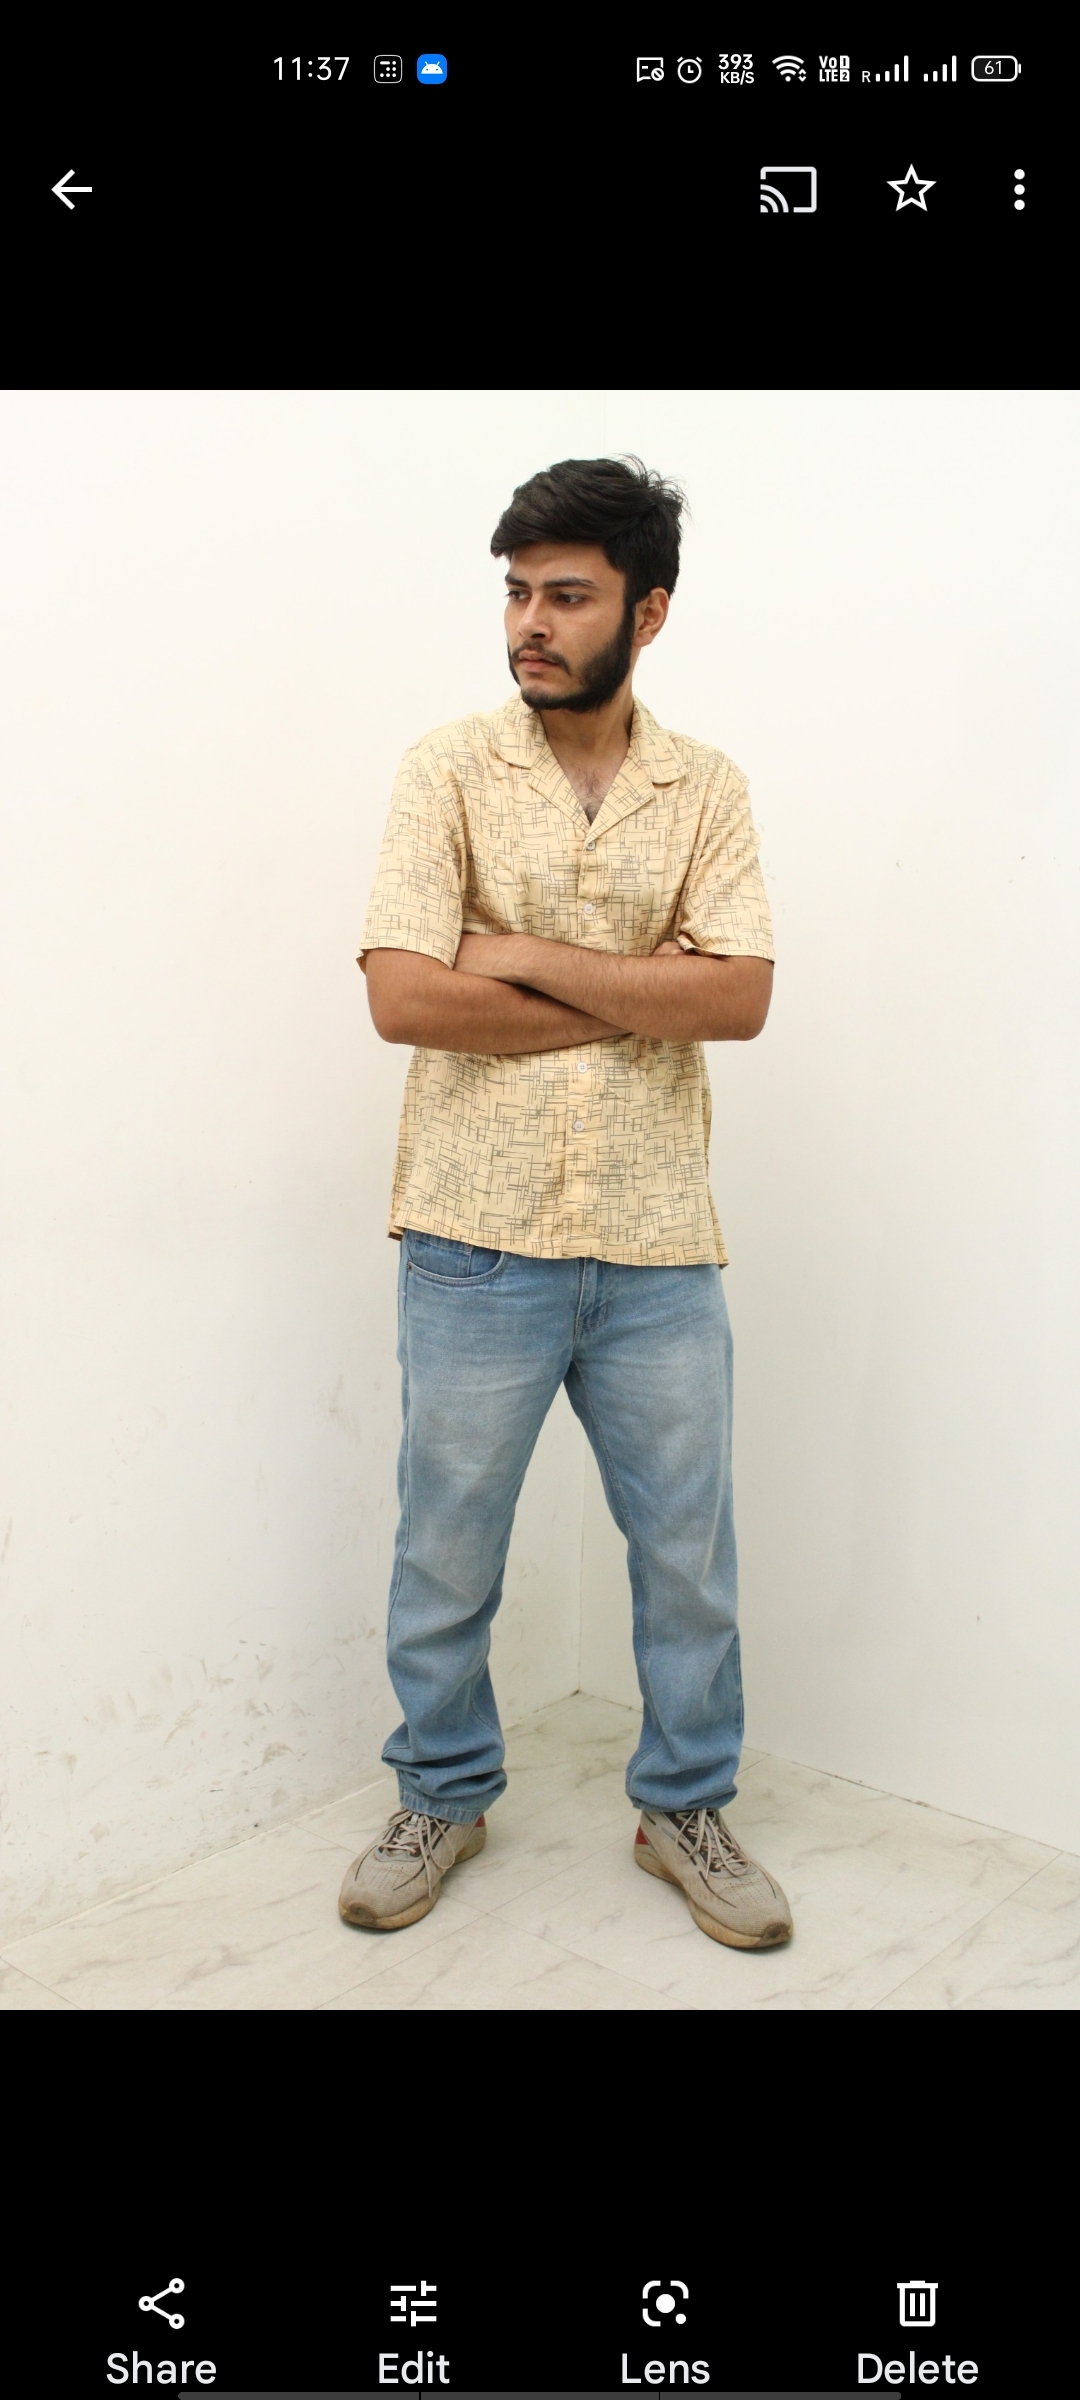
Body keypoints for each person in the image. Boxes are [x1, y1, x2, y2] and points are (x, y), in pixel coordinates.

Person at [339, 456, 793, 1950]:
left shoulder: (705, 788)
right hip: (474, 1236)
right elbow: (406, 998)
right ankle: (442, 1793)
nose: (530, 623)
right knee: (445, 1550)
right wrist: (644, 988)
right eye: (518, 593)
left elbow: (740, 997)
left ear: (647, 613)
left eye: (569, 596)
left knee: (687, 1559)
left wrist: (519, 955)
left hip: (659, 1240)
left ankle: (686, 1810)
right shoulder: (447, 771)